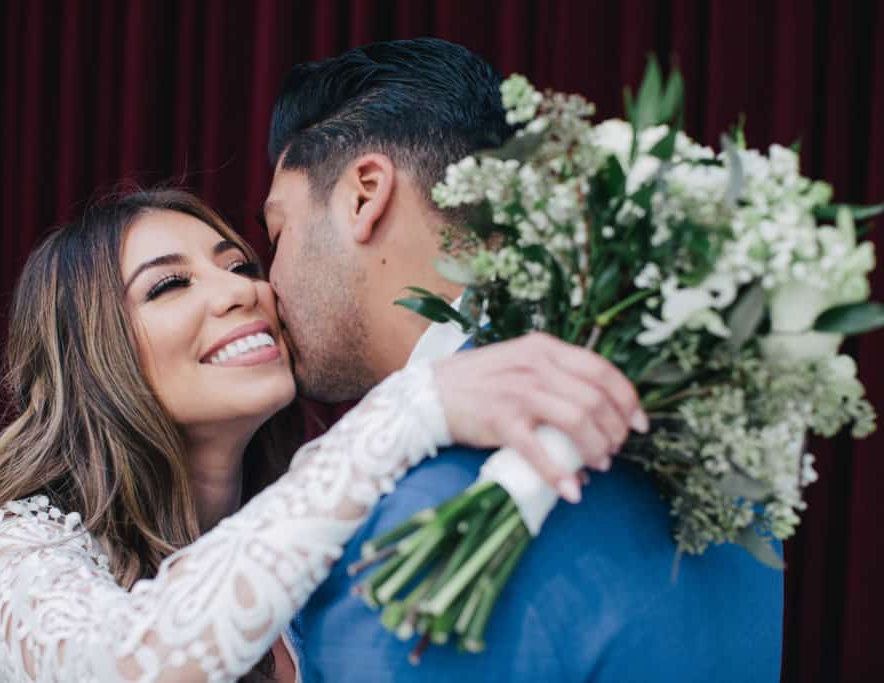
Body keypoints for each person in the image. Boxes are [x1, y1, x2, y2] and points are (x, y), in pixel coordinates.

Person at [0, 189, 634, 682]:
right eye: (168, 286)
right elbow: (125, 663)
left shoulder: (337, 542)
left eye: (239, 264)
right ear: (91, 357)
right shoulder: (14, 546)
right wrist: (408, 410)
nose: (245, 291)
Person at [263, 38, 784, 681]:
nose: (267, 284)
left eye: (277, 232)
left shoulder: (411, 522)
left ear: (364, 194)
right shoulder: (706, 446)